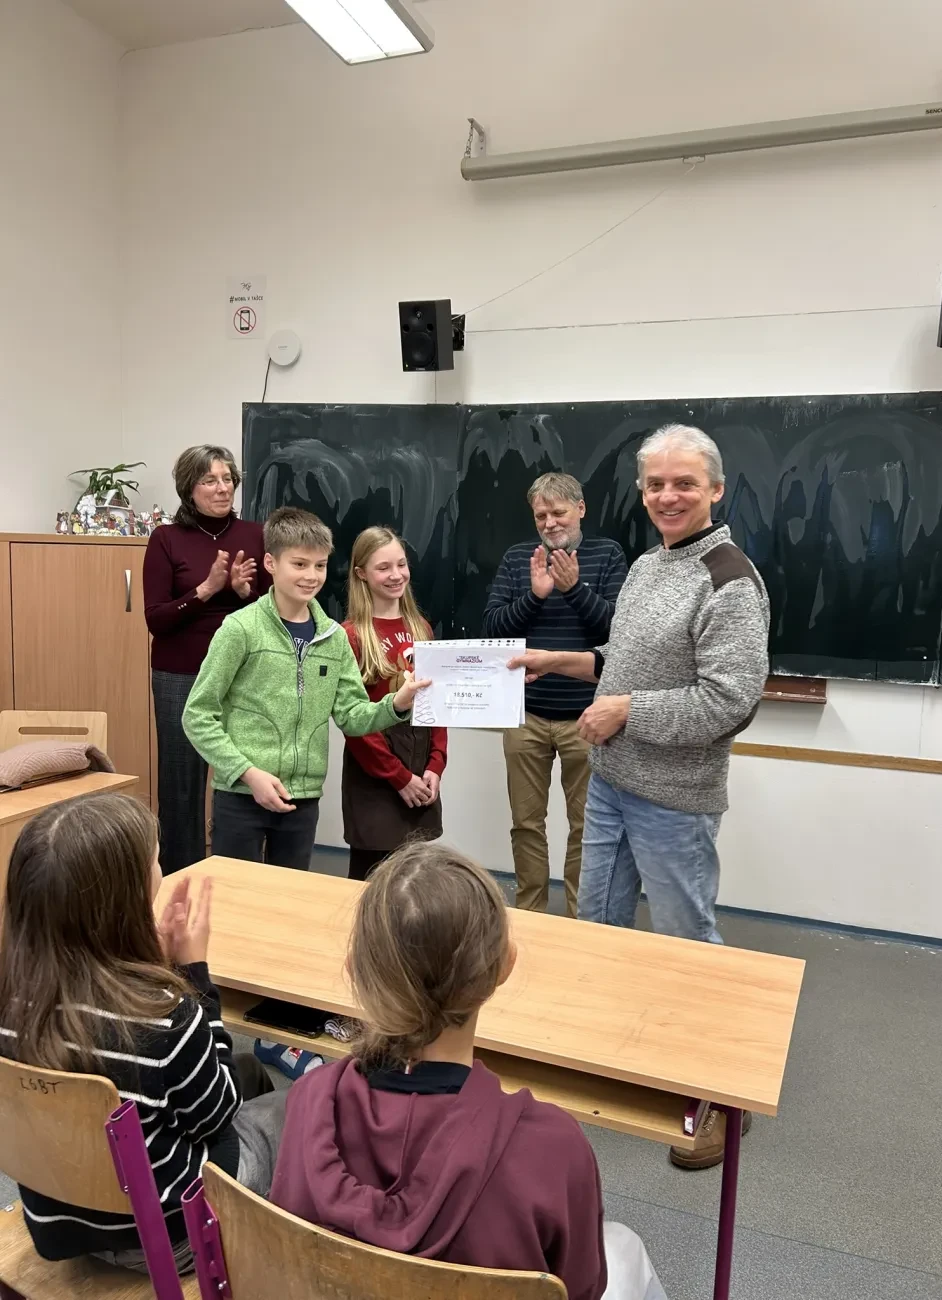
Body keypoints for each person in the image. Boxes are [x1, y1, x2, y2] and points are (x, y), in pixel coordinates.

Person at [510, 425, 769, 1170]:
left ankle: (718, 1101)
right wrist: (558, 659)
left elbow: (729, 701)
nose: (667, 496)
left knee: (688, 947)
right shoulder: (652, 564)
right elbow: (621, 660)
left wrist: (626, 712)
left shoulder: (728, 579)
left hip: (674, 801)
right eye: (655, 484)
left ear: (715, 489)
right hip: (612, 787)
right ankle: (607, 1061)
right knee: (597, 929)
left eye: (683, 483)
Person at [269, 841, 668, 1300]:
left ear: (356, 970)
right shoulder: (554, 1149)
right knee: (626, 1246)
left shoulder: (308, 1104)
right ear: (504, 966)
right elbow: (582, 1287)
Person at [0, 793, 286, 1272]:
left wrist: (148, 962)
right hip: (170, 1236)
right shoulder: (165, 1018)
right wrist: (193, 975)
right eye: (155, 860)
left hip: (61, 1222)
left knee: (247, 1068)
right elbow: (218, 1115)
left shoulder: (11, 1002)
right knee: (304, 1105)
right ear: (126, 898)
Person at [183, 507, 430, 876]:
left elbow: (352, 715)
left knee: (291, 900)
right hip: (242, 795)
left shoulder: (332, 637)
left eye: (320, 565)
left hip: (302, 800)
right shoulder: (240, 629)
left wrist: (396, 703)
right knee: (235, 898)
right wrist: (247, 772)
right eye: (299, 564)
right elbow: (198, 714)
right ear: (271, 563)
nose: (311, 576)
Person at [483, 472, 628, 917]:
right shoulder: (518, 559)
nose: (549, 523)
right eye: (540, 515)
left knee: (587, 827)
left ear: (580, 509)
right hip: (524, 716)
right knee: (526, 824)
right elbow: (493, 628)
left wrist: (574, 590)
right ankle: (529, 913)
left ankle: (581, 918)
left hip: (587, 718)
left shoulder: (608, 555)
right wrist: (535, 596)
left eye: (558, 512)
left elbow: (621, 633)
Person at [143, 445, 270, 875]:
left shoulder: (256, 535)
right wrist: (207, 589)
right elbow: (157, 619)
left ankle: (240, 875)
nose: (222, 488)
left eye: (228, 479)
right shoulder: (166, 539)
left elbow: (275, 609)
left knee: (247, 773)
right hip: (181, 673)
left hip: (244, 673)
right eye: (210, 480)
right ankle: (181, 878)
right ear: (189, 488)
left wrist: (244, 593)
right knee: (181, 784)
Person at [341, 526, 447, 881]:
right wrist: (399, 778)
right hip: (375, 775)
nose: (396, 575)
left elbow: (436, 705)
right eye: (383, 567)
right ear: (361, 574)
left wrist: (436, 765)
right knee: (371, 881)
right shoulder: (352, 635)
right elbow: (355, 722)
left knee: (413, 882)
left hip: (420, 768)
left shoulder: (421, 629)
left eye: (401, 564)